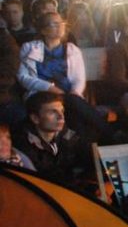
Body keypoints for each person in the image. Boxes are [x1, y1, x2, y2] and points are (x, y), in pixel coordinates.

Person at [18, 10, 114, 143]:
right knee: (73, 105)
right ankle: (109, 135)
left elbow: (79, 79)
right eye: (54, 24)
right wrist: (49, 87)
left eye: (61, 23)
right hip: (40, 94)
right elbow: (23, 77)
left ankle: (84, 147)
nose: (60, 26)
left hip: (67, 95)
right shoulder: (29, 48)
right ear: (44, 30)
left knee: (74, 108)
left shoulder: (72, 49)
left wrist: (75, 92)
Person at [12, 91, 95, 195]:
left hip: (67, 190)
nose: (61, 117)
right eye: (52, 112)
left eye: (62, 111)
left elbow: (87, 152)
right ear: (35, 118)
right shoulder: (21, 142)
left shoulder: (66, 133)